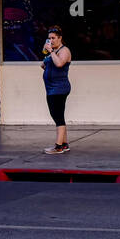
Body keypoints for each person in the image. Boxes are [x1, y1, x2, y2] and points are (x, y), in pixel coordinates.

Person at [41, 26, 72, 154]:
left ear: (60, 38)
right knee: (58, 115)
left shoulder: (64, 51)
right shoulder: (52, 51)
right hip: (51, 88)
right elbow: (43, 65)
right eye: (49, 38)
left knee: (58, 116)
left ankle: (58, 147)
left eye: (53, 38)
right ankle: (64, 144)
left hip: (59, 88)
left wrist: (51, 52)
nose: (51, 41)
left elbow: (59, 64)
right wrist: (46, 52)